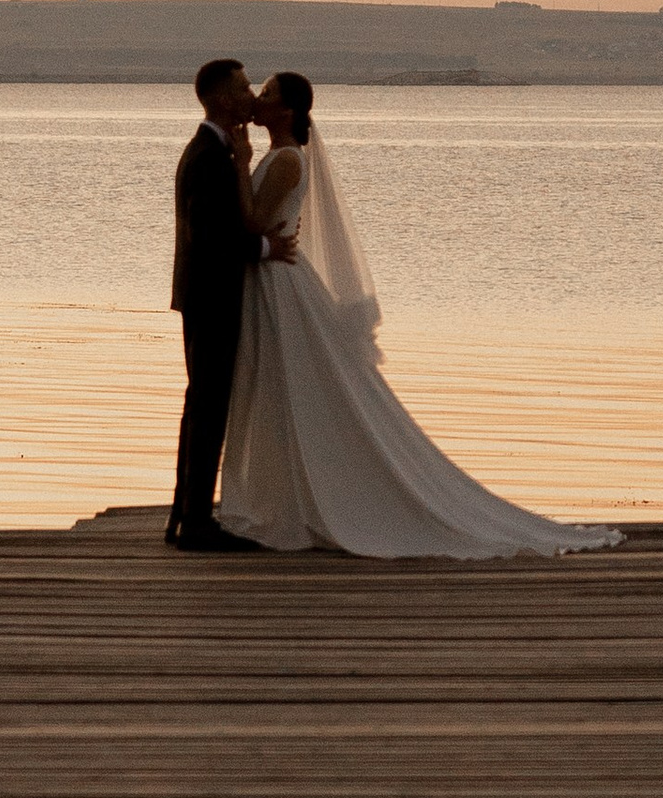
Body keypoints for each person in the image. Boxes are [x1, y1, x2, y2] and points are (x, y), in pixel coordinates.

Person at [216, 72, 618, 558]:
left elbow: (256, 222)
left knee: (298, 386)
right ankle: (289, 491)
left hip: (280, 283)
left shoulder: (284, 160)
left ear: (287, 111)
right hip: (271, 277)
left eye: (268, 94)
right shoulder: (279, 157)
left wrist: (241, 166)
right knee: (282, 389)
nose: (258, 100)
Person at [166, 57, 298, 551]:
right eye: (243, 88)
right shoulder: (207, 157)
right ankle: (196, 522)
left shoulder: (216, 151)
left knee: (201, 405)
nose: (250, 97)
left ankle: (186, 515)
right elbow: (210, 237)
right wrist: (267, 249)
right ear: (222, 99)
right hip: (211, 295)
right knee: (207, 406)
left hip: (205, 293)